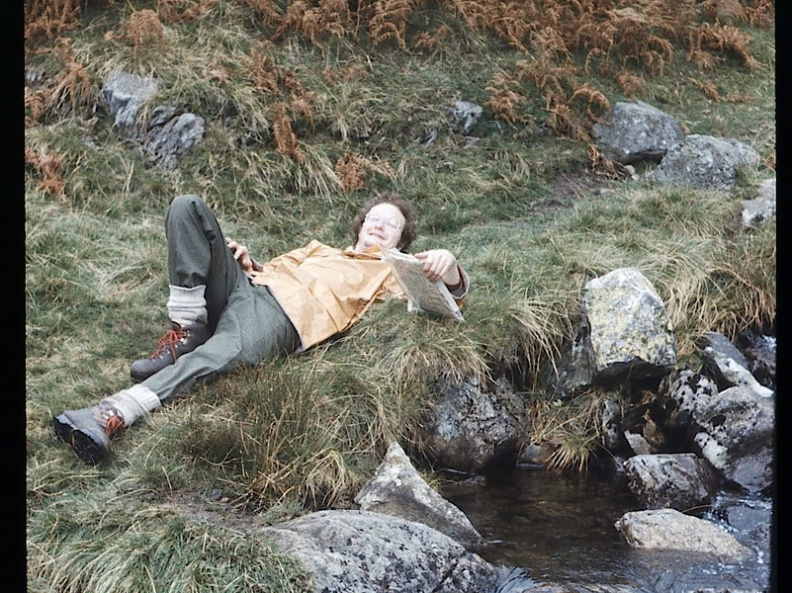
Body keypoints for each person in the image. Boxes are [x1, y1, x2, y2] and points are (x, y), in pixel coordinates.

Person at [53, 192, 469, 463]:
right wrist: (244, 262)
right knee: (187, 208)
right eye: (373, 219)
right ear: (359, 226)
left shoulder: (392, 272)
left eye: (390, 224)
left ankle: (108, 413)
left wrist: (449, 267)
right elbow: (272, 270)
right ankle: (189, 327)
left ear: (402, 239)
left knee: (218, 357)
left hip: (281, 319)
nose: (378, 225)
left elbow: (447, 302)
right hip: (248, 290)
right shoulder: (318, 250)